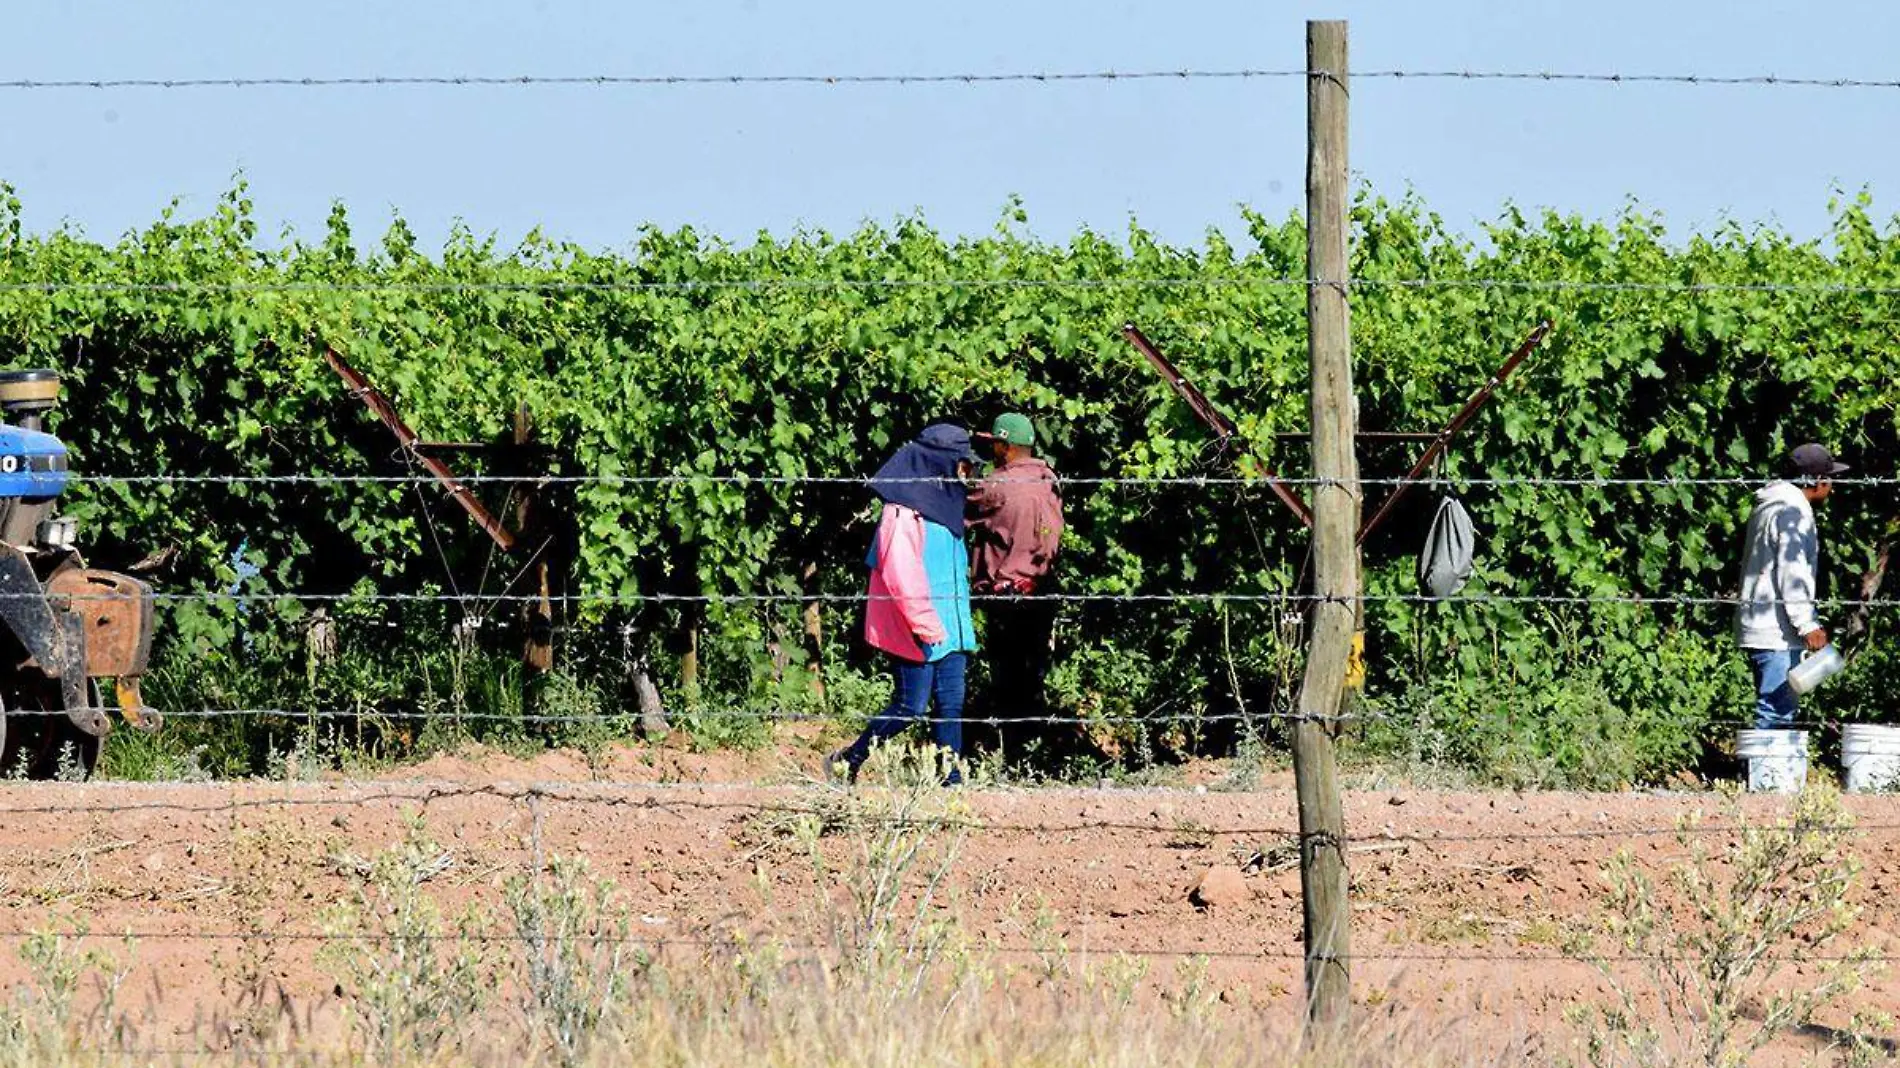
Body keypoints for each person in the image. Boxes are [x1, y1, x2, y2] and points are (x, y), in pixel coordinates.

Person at [828, 424, 980, 784]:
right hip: (917, 628)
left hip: (952, 626)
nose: (967, 472)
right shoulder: (901, 512)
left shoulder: (948, 502)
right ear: (939, 462)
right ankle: (848, 760)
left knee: (950, 708)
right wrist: (925, 624)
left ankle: (951, 785)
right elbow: (901, 573)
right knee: (910, 708)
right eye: (962, 463)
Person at [966, 412, 1066, 754]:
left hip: (1007, 595)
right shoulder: (1048, 478)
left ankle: (1013, 753)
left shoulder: (997, 486)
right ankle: (1035, 751)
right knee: (1032, 676)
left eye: (993, 443)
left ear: (1005, 446)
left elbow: (960, 511)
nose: (990, 449)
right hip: (1042, 588)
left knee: (1007, 679)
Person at [1735, 442, 1846, 730]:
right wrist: (1807, 624)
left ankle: (1767, 772)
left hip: (1761, 621)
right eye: (1829, 477)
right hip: (1777, 630)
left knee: (1774, 707)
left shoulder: (1771, 504)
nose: (1832, 484)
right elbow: (1792, 570)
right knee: (1775, 712)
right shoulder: (1794, 512)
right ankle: (1768, 775)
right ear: (1817, 481)